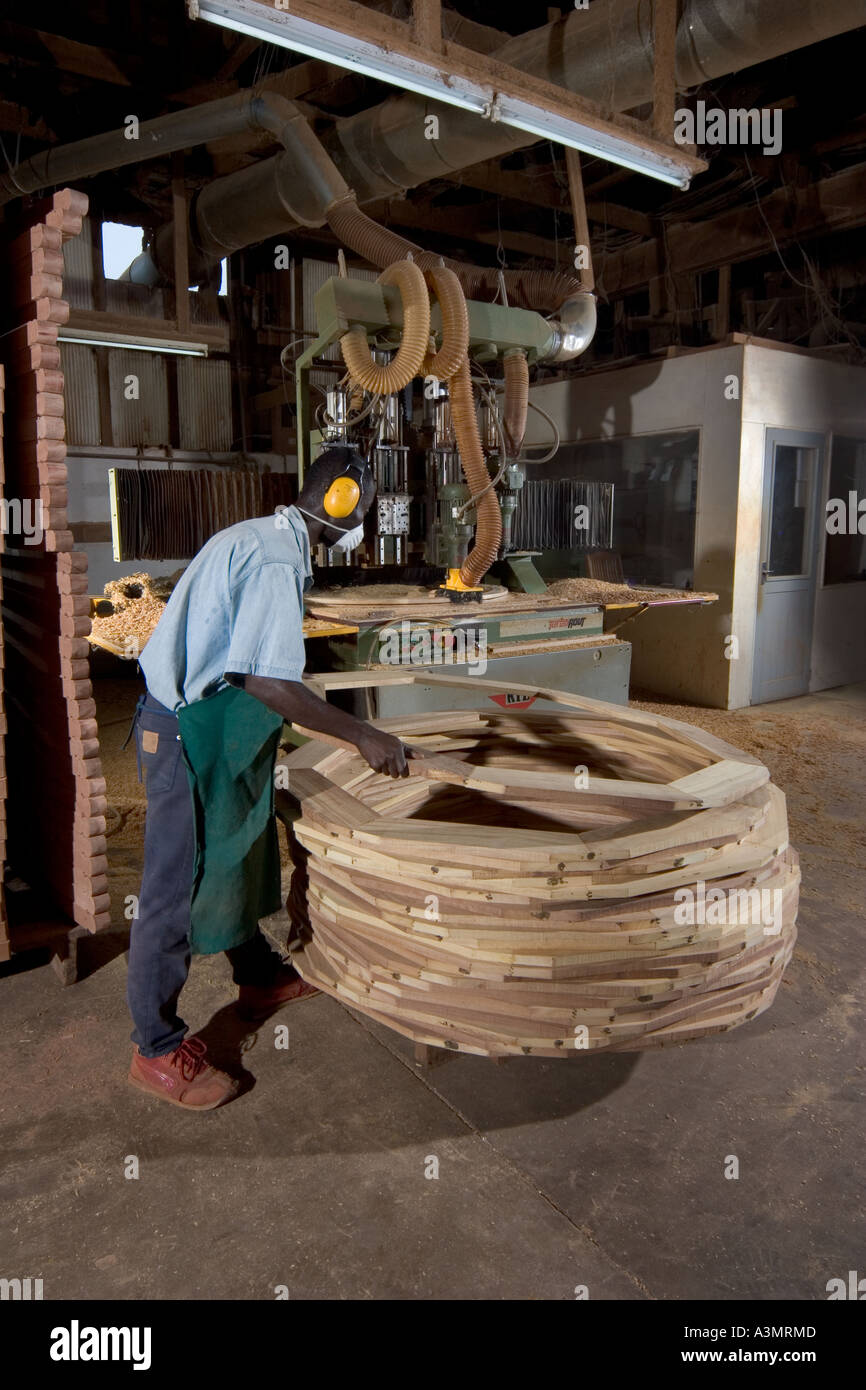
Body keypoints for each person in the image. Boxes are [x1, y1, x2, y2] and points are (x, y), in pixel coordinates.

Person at [126, 446, 411, 1111]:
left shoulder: (263, 536)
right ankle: (157, 1047)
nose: (364, 523)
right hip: (185, 734)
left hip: (210, 726)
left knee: (239, 853)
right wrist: (362, 733)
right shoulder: (278, 559)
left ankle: (257, 976)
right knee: (175, 886)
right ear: (342, 502)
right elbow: (265, 680)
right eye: (365, 510)